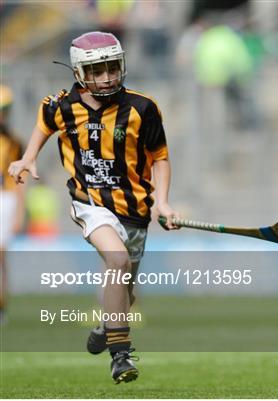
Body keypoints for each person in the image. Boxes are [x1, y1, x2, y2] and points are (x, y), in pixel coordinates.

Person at [8, 31, 181, 384]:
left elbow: (159, 158)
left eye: (112, 69)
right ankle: (121, 356)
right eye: (96, 71)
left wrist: (162, 202)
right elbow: (44, 123)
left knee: (124, 292)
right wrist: (28, 157)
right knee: (116, 261)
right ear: (78, 73)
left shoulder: (143, 108)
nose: (106, 78)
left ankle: (107, 326)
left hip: (134, 209)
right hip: (90, 203)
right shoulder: (61, 105)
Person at [0, 84, 25, 325]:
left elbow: (19, 182)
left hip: (4, 200)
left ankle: (2, 305)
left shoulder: (14, 142)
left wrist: (18, 212)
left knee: (1, 257)